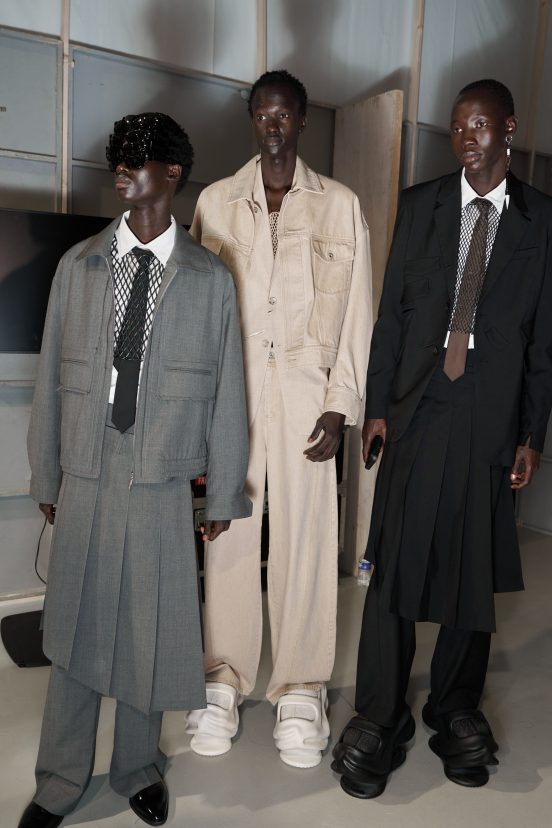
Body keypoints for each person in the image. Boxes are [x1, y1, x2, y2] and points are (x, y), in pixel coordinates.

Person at [19, 112, 251, 828]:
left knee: (151, 630)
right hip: (89, 467)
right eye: (117, 157)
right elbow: (51, 376)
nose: (122, 169)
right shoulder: (79, 267)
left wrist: (222, 490)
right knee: (77, 627)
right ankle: (59, 780)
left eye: (138, 158)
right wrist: (47, 475)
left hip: (161, 474)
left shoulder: (210, 279)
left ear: (174, 173)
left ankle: (138, 768)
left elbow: (228, 392)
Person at [332, 79, 552, 798]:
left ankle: (453, 706)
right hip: (418, 407)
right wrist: (375, 406)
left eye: (481, 125)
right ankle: (379, 711)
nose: (467, 137)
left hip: (490, 417)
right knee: (394, 561)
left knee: (470, 565)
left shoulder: (540, 221)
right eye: (458, 126)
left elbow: (544, 340)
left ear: (508, 129)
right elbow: (391, 316)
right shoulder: (422, 205)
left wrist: (531, 434)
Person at [187, 69, 372, 768]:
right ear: (251, 120)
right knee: (229, 534)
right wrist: (199, 416)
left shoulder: (340, 207)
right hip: (232, 400)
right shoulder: (214, 204)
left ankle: (300, 688)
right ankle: (221, 681)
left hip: (306, 400)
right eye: (262, 115)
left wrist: (339, 406)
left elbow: (359, 316)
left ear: (301, 122)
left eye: (285, 116)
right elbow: (194, 319)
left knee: (306, 540)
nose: (273, 127)